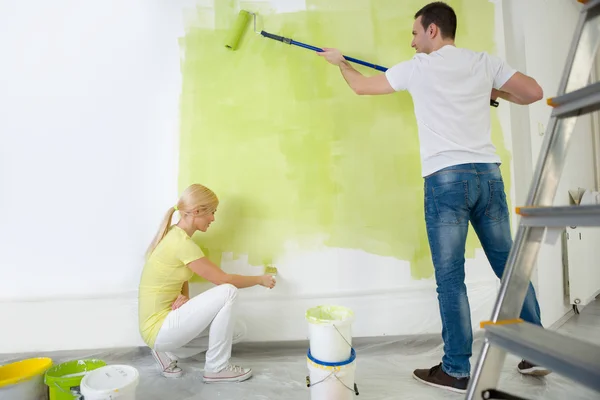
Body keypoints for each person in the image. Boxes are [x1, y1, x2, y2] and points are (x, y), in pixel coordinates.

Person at [317, 1, 549, 394]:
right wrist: (492, 92)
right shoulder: (482, 61)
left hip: (446, 181)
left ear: (433, 31)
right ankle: (539, 351)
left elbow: (360, 86)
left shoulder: (418, 69)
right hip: (488, 177)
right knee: (509, 265)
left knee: (450, 278)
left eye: (414, 33)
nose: (411, 42)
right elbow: (533, 93)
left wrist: (341, 62)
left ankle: (457, 370)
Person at [138, 183, 276, 383]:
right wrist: (259, 280)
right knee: (228, 291)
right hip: (158, 329)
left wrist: (184, 296)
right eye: (211, 212)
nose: (213, 218)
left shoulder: (175, 235)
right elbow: (223, 280)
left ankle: (168, 353)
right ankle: (217, 368)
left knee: (238, 331)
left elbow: (179, 277)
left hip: (163, 325)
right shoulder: (181, 243)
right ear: (196, 212)